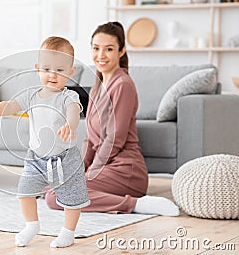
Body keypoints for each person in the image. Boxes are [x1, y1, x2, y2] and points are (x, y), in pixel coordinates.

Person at [44, 22, 179, 217]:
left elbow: (115, 138)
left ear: (121, 51)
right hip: (105, 167)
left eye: (109, 49)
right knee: (51, 188)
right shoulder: (98, 85)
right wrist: (79, 170)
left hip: (125, 170)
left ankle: (135, 205)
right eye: (96, 48)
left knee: (56, 195)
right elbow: (90, 139)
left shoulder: (123, 84)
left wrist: (92, 172)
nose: (101, 55)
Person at [0, 36, 90, 248]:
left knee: (72, 198)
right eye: (47, 69)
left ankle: (68, 232)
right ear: (37, 69)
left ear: (71, 72)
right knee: (25, 192)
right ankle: (31, 225)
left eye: (60, 70)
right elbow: (9, 106)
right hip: (36, 159)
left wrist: (70, 126)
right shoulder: (30, 95)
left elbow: (73, 113)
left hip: (65, 160)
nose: (52, 75)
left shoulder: (69, 97)